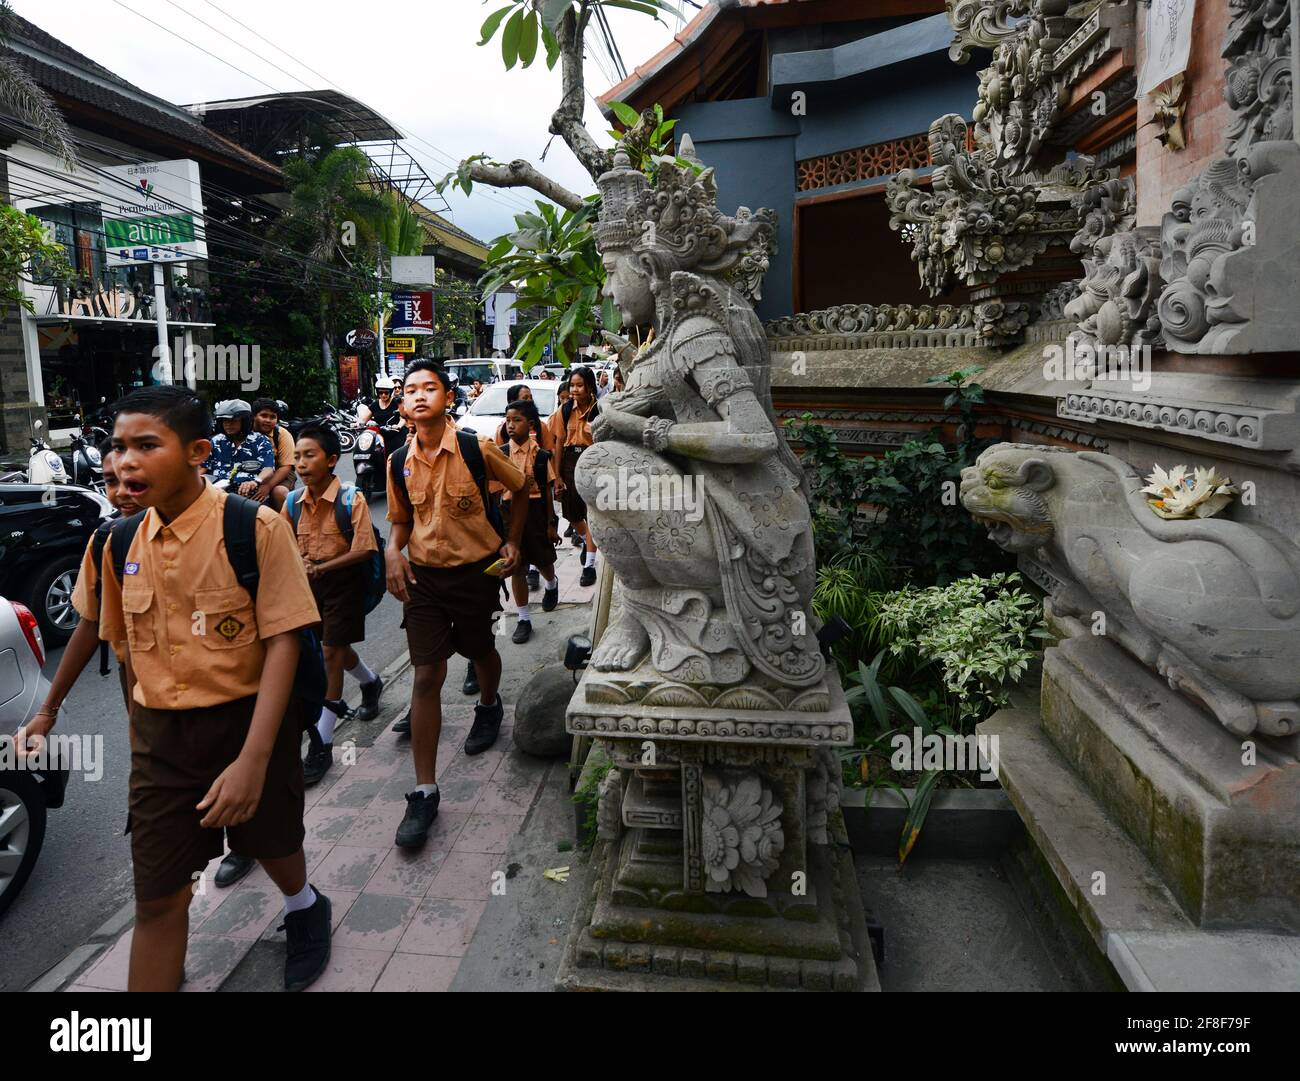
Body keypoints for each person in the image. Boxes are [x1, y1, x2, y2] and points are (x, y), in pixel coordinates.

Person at [88, 386, 329, 992]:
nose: (126, 462)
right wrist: (140, 738)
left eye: (147, 445)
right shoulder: (118, 542)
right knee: (158, 900)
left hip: (250, 723)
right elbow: (122, 649)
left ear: (197, 451)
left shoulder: (256, 528)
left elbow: (282, 641)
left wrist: (252, 760)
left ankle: (304, 906)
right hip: (160, 743)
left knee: (274, 842)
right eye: (118, 448)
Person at [384, 361, 529, 849]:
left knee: (479, 651)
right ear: (403, 405)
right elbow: (401, 521)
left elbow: (522, 487)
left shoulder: (476, 447)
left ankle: (489, 705)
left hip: (476, 573)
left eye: (430, 388)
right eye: (410, 390)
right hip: (424, 579)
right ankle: (425, 791)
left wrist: (512, 541)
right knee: (426, 674)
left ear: (448, 397)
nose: (419, 396)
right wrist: (391, 552)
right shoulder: (397, 460)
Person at [16, 441, 138, 752]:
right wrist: (47, 712)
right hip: (143, 707)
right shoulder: (109, 542)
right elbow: (89, 624)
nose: (122, 492)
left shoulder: (234, 531)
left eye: (132, 478)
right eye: (111, 481)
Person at [283, 424, 385, 786]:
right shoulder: (291, 502)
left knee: (329, 653)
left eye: (309, 455)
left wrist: (320, 567)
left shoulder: (351, 498)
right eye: (297, 456)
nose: (301, 463)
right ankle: (371, 682)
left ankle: (323, 742)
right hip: (307, 587)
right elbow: (281, 548)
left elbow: (364, 549)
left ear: (331, 460)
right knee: (331, 650)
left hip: (344, 584)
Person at [499, 399, 560, 644]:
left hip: (535, 512)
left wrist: (551, 524)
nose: (511, 425)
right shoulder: (501, 453)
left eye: (517, 420)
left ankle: (552, 583)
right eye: (508, 420)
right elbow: (495, 492)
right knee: (517, 567)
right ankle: (523, 618)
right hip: (509, 513)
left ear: (531, 424)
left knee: (544, 561)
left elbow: (547, 494)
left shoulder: (542, 456)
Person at [546, 366, 601, 586]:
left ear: (589, 387)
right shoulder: (565, 410)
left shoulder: (600, 410)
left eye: (579, 385)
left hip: (593, 462)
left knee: (593, 512)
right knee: (572, 512)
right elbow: (559, 442)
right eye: (572, 385)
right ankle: (589, 539)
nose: (575, 390)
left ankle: (589, 565)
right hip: (569, 461)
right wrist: (557, 475)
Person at [202, 399, 275, 499]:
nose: (228, 424)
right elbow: (202, 467)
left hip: (248, 494)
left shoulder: (260, 441)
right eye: (225, 421)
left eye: (233, 421)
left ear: (244, 422)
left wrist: (255, 481)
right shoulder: (216, 441)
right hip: (216, 493)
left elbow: (268, 469)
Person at [250, 397, 295, 510]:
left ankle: (288, 524)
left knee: (279, 492)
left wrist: (268, 486)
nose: (268, 420)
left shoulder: (282, 434)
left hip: (279, 472)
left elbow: (286, 466)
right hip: (251, 471)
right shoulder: (246, 433)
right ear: (254, 416)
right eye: (264, 415)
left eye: (272, 417)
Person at [358, 376, 405, 457]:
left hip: (395, 435)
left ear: (391, 392)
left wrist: (398, 426)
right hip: (379, 437)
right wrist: (357, 423)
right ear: (377, 392)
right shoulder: (375, 404)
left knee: (396, 457)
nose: (383, 395)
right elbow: (363, 419)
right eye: (381, 393)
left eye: (386, 393)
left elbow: (403, 418)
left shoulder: (396, 403)